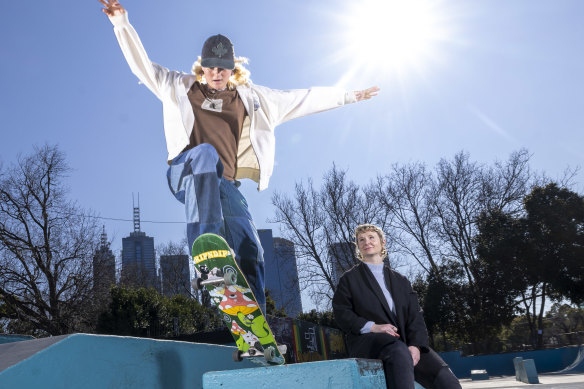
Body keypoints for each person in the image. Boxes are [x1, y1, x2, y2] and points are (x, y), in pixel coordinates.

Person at [99, 0, 379, 313]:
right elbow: (142, 65)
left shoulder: (255, 99)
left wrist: (348, 95)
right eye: (210, 67)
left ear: (233, 68)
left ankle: (256, 327)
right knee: (205, 153)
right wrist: (121, 23)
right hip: (184, 172)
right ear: (202, 66)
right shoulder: (178, 85)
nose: (216, 73)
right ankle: (206, 251)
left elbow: (302, 98)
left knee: (251, 247)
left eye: (223, 67)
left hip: (225, 185)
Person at [332, 224, 461, 389]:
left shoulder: (401, 281)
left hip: (404, 343)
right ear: (358, 247)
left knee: (446, 379)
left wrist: (415, 346)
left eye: (371, 237)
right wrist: (373, 327)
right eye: (361, 240)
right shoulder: (349, 279)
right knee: (399, 352)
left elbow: (415, 316)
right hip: (368, 343)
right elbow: (342, 313)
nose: (367, 242)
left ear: (382, 242)